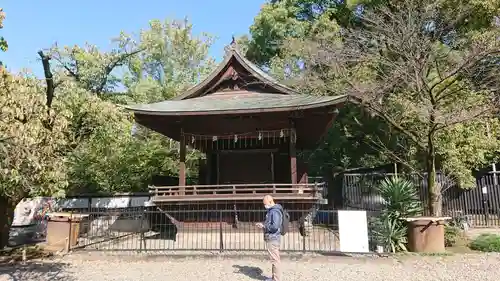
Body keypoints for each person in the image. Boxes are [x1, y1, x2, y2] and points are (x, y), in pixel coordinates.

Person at [255, 195, 282, 281]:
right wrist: (264, 226)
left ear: (270, 201)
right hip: (273, 237)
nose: (265, 206)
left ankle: (276, 279)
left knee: (275, 260)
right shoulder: (273, 211)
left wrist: (264, 226)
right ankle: (274, 277)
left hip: (273, 238)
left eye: (265, 204)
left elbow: (275, 226)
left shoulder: (275, 211)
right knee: (274, 259)